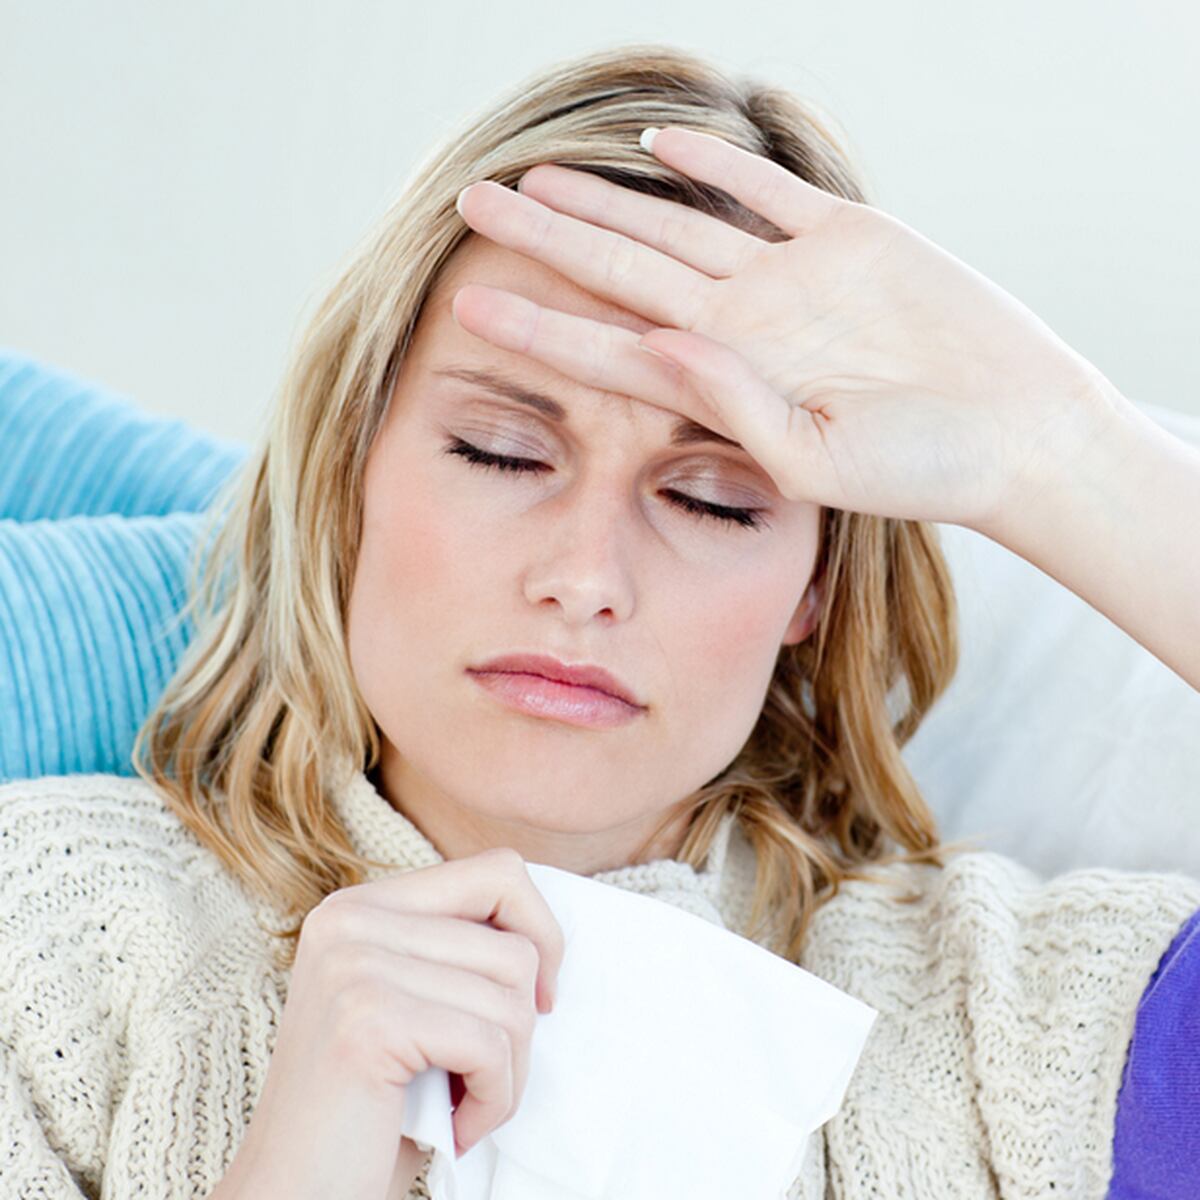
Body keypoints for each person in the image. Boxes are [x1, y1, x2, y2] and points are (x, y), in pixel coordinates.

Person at [1, 42, 1197, 1200]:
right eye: (502, 451)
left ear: (816, 588)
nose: (587, 578)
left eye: (711, 497)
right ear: (347, 474)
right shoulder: (43, 944)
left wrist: (1061, 445)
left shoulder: (1017, 1030)